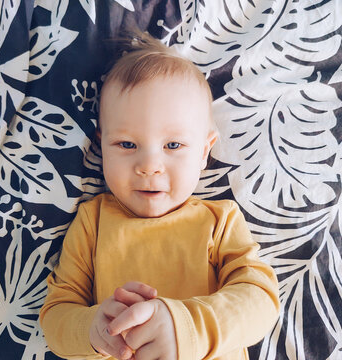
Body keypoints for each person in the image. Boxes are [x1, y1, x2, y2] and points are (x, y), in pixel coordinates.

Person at [39, 32, 280, 360]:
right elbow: (56, 314)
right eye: (126, 144)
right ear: (101, 145)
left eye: (173, 145)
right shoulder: (93, 221)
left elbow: (260, 299)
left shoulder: (218, 221)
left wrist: (187, 327)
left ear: (204, 152)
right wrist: (92, 329)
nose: (149, 166)